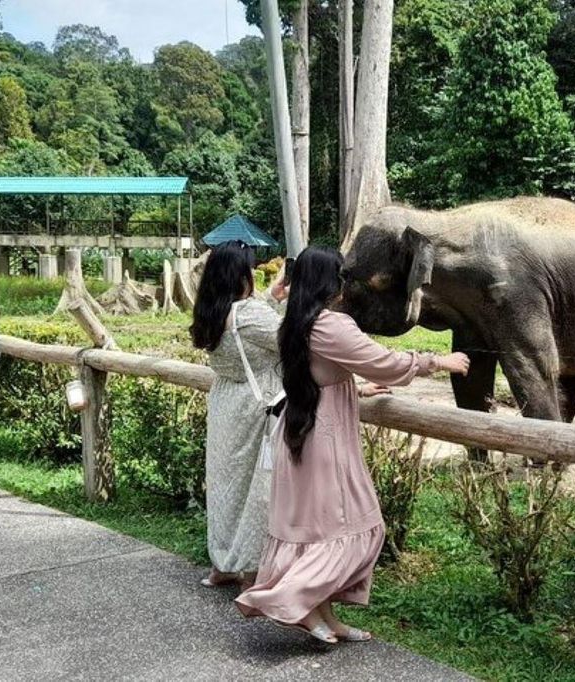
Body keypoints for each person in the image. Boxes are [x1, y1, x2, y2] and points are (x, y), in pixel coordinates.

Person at [236, 246, 470, 643]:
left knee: (315, 530)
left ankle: (324, 616)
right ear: (331, 283)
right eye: (340, 277)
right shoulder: (330, 325)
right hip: (324, 438)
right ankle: (291, 602)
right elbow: (384, 361)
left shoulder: (294, 321)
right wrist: (437, 362)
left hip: (302, 431)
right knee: (355, 525)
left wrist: (354, 387)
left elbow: (315, 373)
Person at [191, 241, 288, 588]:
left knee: (225, 488)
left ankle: (222, 564)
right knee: (256, 490)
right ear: (241, 275)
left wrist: (272, 297)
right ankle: (251, 573)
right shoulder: (250, 314)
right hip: (255, 408)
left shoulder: (210, 311)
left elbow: (248, 332)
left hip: (225, 403)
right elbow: (291, 339)